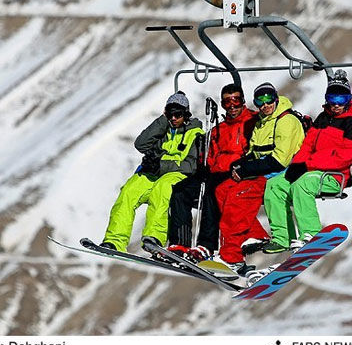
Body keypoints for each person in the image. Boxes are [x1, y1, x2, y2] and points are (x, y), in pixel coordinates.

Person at [262, 70, 352, 253]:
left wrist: (307, 165)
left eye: (341, 100)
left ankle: (311, 233)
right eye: (332, 98)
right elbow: (307, 145)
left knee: (303, 184)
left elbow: (343, 158)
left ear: (349, 99)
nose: (336, 104)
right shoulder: (322, 119)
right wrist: (297, 164)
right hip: (311, 171)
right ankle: (283, 238)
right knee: (274, 185)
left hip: (335, 177)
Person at [212, 82, 305, 274]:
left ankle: (231, 256)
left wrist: (247, 169)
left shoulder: (286, 121)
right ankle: (252, 236)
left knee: (239, 197)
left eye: (268, 99)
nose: (265, 104)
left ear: (276, 98)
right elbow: (255, 152)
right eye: (259, 101)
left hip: (281, 173)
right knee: (222, 190)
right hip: (263, 171)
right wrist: (240, 165)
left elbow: (280, 160)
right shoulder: (262, 122)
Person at [100, 92, 204, 253]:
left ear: (186, 114)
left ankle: (154, 237)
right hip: (154, 173)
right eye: (171, 114)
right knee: (129, 191)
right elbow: (141, 144)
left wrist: (160, 165)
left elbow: (190, 165)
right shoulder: (164, 129)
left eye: (178, 114)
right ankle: (115, 241)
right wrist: (163, 120)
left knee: (161, 190)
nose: (174, 118)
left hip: (176, 174)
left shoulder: (195, 134)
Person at [166, 83, 258, 260]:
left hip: (237, 172)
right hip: (215, 172)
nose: (232, 106)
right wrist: (204, 166)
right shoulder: (218, 129)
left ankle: (206, 245)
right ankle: (180, 244)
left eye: (236, 101)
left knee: (212, 191)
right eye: (227, 102)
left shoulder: (253, 122)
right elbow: (211, 156)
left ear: (243, 101)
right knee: (180, 190)